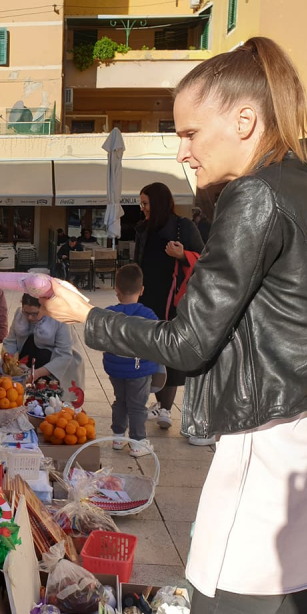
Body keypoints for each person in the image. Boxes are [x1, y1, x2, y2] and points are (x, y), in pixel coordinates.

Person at [38, 37, 307, 614]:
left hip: (272, 454)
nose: (182, 149)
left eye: (188, 131)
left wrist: (82, 318)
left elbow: (186, 344)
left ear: (244, 121)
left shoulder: (254, 196)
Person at [135, 182, 204, 435]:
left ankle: (166, 408)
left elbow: (205, 259)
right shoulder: (142, 228)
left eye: (146, 203)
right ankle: (148, 401)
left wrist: (182, 254)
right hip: (146, 298)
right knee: (148, 351)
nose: (142, 208)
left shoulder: (182, 227)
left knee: (170, 352)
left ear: (159, 202)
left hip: (173, 300)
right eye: (141, 203)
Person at [102, 265, 158, 451]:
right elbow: (157, 340)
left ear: (116, 289)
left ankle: (117, 437)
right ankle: (138, 443)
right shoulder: (148, 315)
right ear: (142, 290)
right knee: (137, 406)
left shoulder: (109, 313)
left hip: (115, 369)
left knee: (121, 401)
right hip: (139, 369)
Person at [3, 294, 84, 389]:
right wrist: (12, 362)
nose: (30, 318)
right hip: (30, 361)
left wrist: (36, 373)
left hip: (56, 363)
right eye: (26, 313)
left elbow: (64, 355)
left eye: (35, 313)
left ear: (45, 308)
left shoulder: (59, 318)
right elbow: (11, 341)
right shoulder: (20, 314)